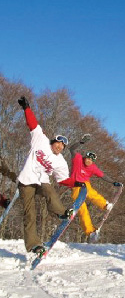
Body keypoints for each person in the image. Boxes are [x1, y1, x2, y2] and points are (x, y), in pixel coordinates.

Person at [17, 96, 75, 255]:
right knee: (29, 213)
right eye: (58, 143)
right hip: (26, 181)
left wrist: (76, 183)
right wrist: (26, 108)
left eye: (63, 147)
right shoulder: (40, 140)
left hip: (41, 181)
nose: (60, 147)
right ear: (53, 141)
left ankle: (61, 213)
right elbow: (32, 124)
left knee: (50, 191)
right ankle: (33, 245)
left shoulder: (61, 162)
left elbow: (63, 179)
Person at [69, 134, 122, 242]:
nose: (88, 161)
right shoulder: (78, 159)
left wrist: (113, 182)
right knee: (82, 210)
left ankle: (105, 204)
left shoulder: (93, 167)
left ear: (93, 162)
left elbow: (103, 176)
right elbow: (71, 149)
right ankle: (90, 231)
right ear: (85, 157)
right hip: (75, 185)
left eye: (91, 160)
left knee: (91, 192)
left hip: (85, 184)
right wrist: (81, 142)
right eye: (87, 159)